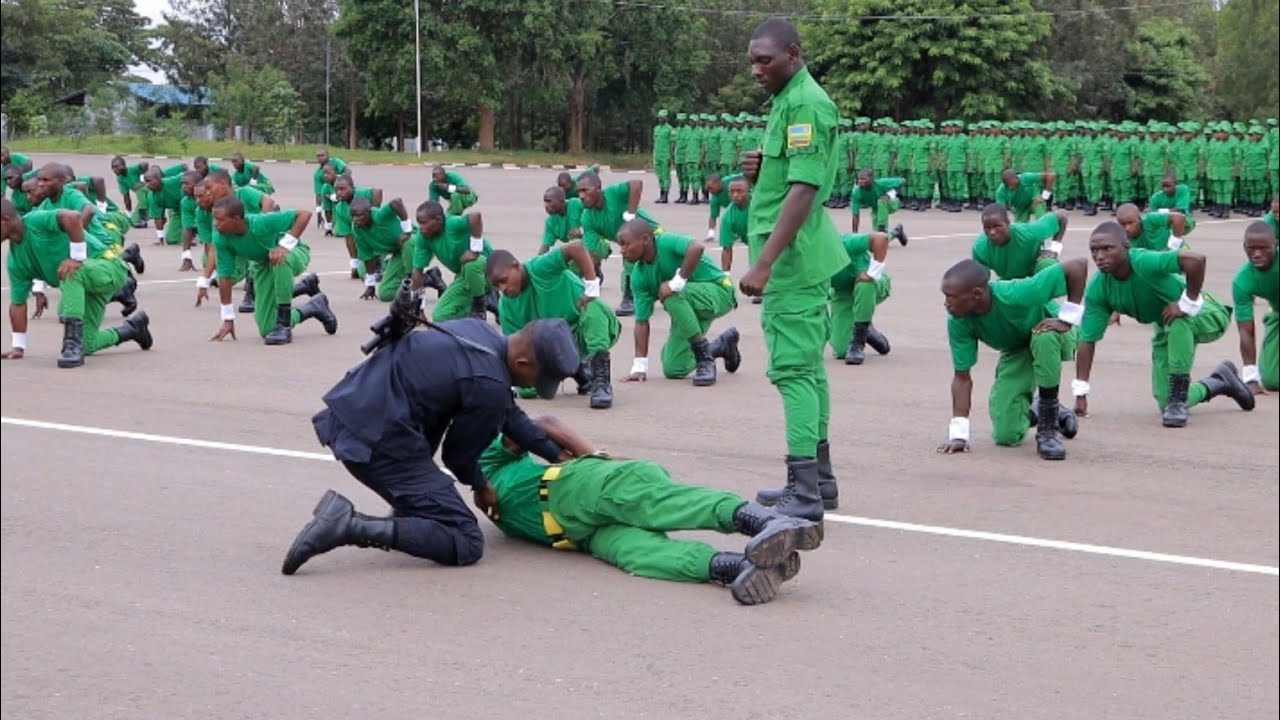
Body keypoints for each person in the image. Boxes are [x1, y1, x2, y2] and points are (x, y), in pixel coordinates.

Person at [280, 317, 583, 575]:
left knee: (432, 433)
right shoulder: (489, 383)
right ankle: (348, 525)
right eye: (537, 380)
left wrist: (556, 455)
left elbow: (508, 414)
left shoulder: (480, 332)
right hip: (374, 443)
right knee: (466, 540)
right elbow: (458, 457)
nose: (533, 387)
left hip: (356, 410)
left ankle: (412, 511)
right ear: (522, 363)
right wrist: (481, 485)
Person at [478, 415, 823, 605]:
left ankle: (765, 521)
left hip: (580, 488)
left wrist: (595, 458)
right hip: (581, 534)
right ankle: (740, 567)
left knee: (665, 505)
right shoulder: (485, 493)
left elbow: (542, 424)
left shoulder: (489, 455)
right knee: (639, 556)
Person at [739, 18, 849, 519]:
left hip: (792, 260)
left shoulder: (805, 103)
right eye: (752, 62)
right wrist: (762, 169)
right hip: (798, 257)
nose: (756, 70)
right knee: (809, 371)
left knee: (793, 371)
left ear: (793, 54)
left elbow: (805, 189)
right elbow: (791, 176)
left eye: (765, 60)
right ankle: (818, 480)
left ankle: (803, 491)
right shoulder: (789, 100)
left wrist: (764, 263)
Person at [1072, 222, 1254, 427]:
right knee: (1164, 401)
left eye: (1107, 248)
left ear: (1126, 246)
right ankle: (1220, 381)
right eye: (1094, 250)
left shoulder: (1143, 261)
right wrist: (1080, 393)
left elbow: (1196, 260)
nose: (1099, 256)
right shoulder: (1098, 289)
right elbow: (1087, 340)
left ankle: (1178, 399)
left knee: (1178, 320)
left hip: (1204, 313)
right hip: (1165, 323)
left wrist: (1187, 302)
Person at [938, 258, 1087, 461]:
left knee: (1043, 337)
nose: (946, 303)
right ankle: (1039, 409)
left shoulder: (1016, 293)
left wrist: (1068, 319)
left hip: (1055, 335)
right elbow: (962, 377)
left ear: (976, 294)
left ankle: (1048, 428)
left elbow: (1077, 266)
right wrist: (959, 435)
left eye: (951, 297)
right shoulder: (959, 321)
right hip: (1018, 350)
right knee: (1006, 435)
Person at [1, 199, 152, 366]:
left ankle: (71, 345)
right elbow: (18, 304)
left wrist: (77, 257)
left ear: (5, 220)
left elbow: (73, 217)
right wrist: (18, 347)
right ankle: (133, 329)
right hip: (85, 284)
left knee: (70, 271)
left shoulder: (35, 221)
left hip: (109, 267)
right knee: (87, 343)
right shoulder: (15, 261)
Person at [486, 241, 620, 409]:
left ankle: (601, 382)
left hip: (586, 331)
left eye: (504, 280)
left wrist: (592, 288)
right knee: (527, 391)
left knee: (593, 307)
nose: (503, 289)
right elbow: (512, 348)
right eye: (497, 286)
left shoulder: (540, 268)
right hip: (554, 345)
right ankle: (577, 369)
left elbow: (576, 247)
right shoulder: (506, 305)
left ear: (516, 266)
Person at [617, 220, 741, 388]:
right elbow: (641, 321)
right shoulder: (639, 275)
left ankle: (705, 360)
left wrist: (678, 282)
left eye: (626, 244)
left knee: (670, 293)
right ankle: (720, 346)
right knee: (673, 368)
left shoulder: (665, 241)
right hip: (687, 308)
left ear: (645, 239)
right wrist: (640, 366)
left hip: (719, 291)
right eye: (620, 245)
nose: (622, 250)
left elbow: (696, 247)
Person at [207, 197, 337, 345]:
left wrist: (284, 246)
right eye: (214, 219)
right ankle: (314, 306)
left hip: (293, 253)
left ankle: (283, 324)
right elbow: (225, 277)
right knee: (267, 329)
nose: (215, 224)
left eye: (220, 220)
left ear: (236, 219)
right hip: (263, 264)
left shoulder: (260, 222)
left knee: (279, 260)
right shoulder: (221, 237)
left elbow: (304, 215)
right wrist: (228, 319)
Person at [576, 172, 661, 317]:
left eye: (585, 190)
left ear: (598, 188)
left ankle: (639, 294)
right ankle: (631, 296)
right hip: (631, 244)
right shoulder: (587, 218)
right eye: (579, 192)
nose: (581, 196)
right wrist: (587, 283)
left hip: (654, 235)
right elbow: (591, 254)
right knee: (630, 262)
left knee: (668, 267)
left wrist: (631, 214)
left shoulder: (612, 194)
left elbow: (636, 184)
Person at [410, 201, 493, 321]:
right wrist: (418, 309)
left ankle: (480, 305)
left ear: (438, 220)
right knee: (440, 316)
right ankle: (482, 302)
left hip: (490, 269)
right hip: (465, 276)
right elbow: (417, 272)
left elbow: (475, 217)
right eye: (419, 223)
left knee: (471, 264)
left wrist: (475, 250)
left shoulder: (452, 223)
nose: (421, 228)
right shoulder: (423, 238)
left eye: (424, 223)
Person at [829, 231, 893, 365]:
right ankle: (866, 327)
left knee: (864, 284)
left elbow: (881, 238)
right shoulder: (806, 260)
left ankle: (858, 342)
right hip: (843, 294)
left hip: (873, 285)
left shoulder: (844, 243)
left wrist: (872, 274)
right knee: (841, 351)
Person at [1232, 221, 1279, 393]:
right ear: (1244, 247)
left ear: (1275, 245)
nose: (1257, 254)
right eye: (1252, 248)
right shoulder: (1242, 282)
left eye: (1264, 248)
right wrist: (1250, 378)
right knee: (1272, 381)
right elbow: (1246, 330)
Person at [972, 205, 1068, 280]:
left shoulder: (1029, 233)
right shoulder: (980, 248)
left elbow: (1062, 215)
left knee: (1048, 264)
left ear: (1008, 222)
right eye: (987, 228)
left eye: (997, 226)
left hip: (1034, 277)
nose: (992, 232)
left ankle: (1043, 297)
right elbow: (980, 279)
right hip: (1009, 282)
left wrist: (1054, 248)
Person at [350, 196, 415, 303]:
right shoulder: (357, 229)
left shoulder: (379, 216)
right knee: (385, 294)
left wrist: (407, 230)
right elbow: (367, 257)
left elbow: (397, 202)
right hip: (398, 252)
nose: (356, 219)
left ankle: (414, 281)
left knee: (407, 242)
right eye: (353, 216)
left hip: (415, 244)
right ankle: (426, 279)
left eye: (360, 215)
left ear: (369, 212)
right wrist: (370, 285)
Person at [1115, 203, 1191, 253]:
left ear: (1140, 219)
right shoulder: (1122, 239)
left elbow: (1179, 218)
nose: (1127, 228)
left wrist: (1172, 248)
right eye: (1123, 224)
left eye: (1131, 223)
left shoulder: (1150, 220)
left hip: (1178, 251)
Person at [848, 169, 905, 235]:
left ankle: (882, 227)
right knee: (878, 236)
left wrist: (889, 195)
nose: (860, 181)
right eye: (859, 179)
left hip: (893, 202)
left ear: (871, 179)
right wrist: (854, 235)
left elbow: (903, 181)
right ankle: (896, 233)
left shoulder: (881, 183)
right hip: (876, 209)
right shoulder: (856, 192)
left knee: (881, 201)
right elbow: (855, 215)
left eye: (863, 179)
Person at [717, 176, 752, 273]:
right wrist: (725, 275)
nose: (735, 195)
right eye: (731, 192)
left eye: (740, 191)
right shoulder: (727, 218)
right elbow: (726, 249)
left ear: (749, 191)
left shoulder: (758, 205)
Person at [312, 149, 347, 233]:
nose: (320, 158)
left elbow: (348, 171)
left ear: (328, 155)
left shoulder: (336, 162)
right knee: (325, 196)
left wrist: (341, 182)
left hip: (344, 189)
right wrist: (319, 213)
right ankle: (330, 225)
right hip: (330, 194)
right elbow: (318, 194)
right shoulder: (317, 174)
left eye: (322, 155)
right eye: (318, 156)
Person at [652, 109, 674, 203]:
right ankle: (661, 194)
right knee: (659, 176)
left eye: (662, 118)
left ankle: (665, 196)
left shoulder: (669, 129)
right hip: (657, 155)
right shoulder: (656, 128)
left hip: (665, 155)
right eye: (659, 117)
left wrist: (671, 156)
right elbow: (655, 142)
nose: (660, 119)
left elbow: (672, 144)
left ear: (666, 118)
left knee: (665, 176)